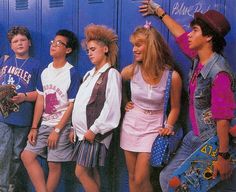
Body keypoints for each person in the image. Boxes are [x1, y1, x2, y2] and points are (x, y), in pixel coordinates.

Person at [140, 1, 236, 191]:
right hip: (195, 137)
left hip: (213, 143)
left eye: (195, 30)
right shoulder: (199, 58)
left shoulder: (219, 73)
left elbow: (223, 117)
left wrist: (223, 156)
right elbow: (180, 35)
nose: (189, 34)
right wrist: (159, 12)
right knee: (166, 179)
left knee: (182, 186)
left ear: (208, 37)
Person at [119, 21, 182, 192]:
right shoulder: (130, 71)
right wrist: (125, 101)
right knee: (132, 177)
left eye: (138, 45)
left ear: (151, 46)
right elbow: (113, 84)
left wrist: (168, 125)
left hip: (154, 128)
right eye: (133, 45)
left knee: (141, 178)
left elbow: (175, 107)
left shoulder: (172, 76)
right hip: (131, 125)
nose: (134, 49)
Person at [21, 29, 80, 192]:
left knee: (53, 164)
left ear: (68, 50)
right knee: (27, 156)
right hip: (44, 124)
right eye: (53, 42)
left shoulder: (71, 73)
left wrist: (58, 130)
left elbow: (71, 105)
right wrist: (34, 127)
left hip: (61, 126)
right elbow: (40, 99)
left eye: (59, 43)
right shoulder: (45, 71)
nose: (53, 45)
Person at [70, 24, 122, 192]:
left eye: (93, 49)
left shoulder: (111, 74)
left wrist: (95, 129)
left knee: (81, 172)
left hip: (94, 134)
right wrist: (74, 127)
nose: (89, 53)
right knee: (92, 172)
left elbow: (111, 106)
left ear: (105, 49)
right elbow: (80, 104)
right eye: (88, 50)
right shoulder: (89, 74)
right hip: (83, 133)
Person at [0, 26, 40, 192]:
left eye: (23, 40)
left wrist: (24, 96)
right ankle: (2, 186)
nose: (19, 43)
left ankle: (11, 185)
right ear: (11, 46)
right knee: (2, 152)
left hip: (23, 118)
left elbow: (40, 94)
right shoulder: (4, 61)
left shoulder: (36, 65)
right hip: (4, 116)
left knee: (17, 154)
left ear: (29, 42)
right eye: (15, 41)